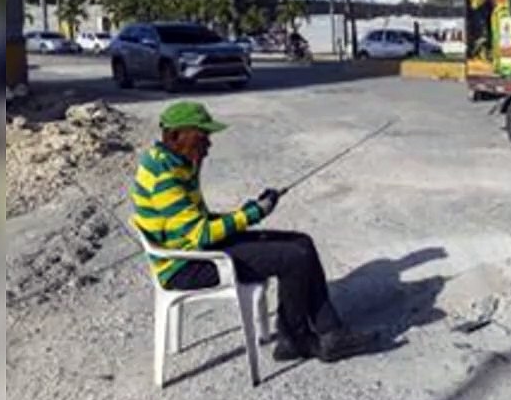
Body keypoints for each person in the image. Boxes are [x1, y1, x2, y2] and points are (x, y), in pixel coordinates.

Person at [130, 101, 375, 363]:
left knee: (302, 243)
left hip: (193, 250)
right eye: (202, 138)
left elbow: (195, 222)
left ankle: (329, 332)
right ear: (175, 135)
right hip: (188, 266)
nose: (209, 146)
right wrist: (253, 214)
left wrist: (250, 208)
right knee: (294, 258)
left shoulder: (172, 162)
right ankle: (294, 339)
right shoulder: (165, 176)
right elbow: (201, 235)